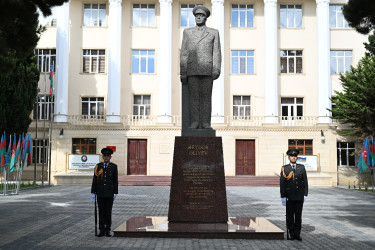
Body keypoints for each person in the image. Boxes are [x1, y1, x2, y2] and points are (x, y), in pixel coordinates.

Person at [180, 5, 221, 129]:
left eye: (201, 15)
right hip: (192, 70)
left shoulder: (214, 32)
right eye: (196, 15)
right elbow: (184, 52)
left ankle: (205, 123)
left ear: (205, 18)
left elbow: (217, 52)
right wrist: (183, 71)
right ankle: (194, 122)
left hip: (207, 70)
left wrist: (216, 68)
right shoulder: (187, 32)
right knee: (194, 98)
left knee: (206, 98)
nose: (198, 17)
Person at [280, 149, 308, 241]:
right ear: (289, 157)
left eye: (295, 156)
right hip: (289, 197)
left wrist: (305, 194)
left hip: (299, 196)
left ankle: (297, 234)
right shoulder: (285, 168)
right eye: (292, 156)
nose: (293, 157)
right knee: (290, 216)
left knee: (298, 216)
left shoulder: (301, 167)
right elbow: (282, 183)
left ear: (297, 157)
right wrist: (283, 196)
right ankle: (291, 233)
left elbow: (305, 182)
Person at [91, 147, 118, 237]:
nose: (106, 157)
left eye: (108, 156)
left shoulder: (114, 167)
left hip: (109, 194)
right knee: (101, 212)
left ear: (110, 157)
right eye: (105, 156)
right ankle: (101, 230)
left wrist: (115, 192)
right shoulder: (98, 166)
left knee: (108, 212)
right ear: (102, 156)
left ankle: (108, 230)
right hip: (100, 193)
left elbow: (115, 180)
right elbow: (95, 180)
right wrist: (93, 192)